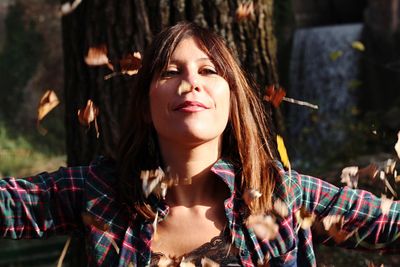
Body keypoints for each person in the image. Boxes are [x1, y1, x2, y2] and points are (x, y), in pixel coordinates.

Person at [0, 21, 399, 267]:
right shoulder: (99, 191)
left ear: (231, 99)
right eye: (170, 71)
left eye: (208, 70)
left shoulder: (283, 194)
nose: (191, 82)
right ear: (145, 105)